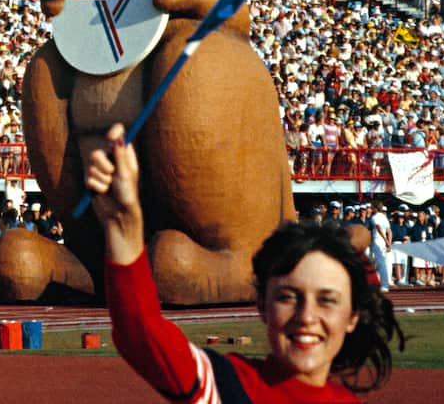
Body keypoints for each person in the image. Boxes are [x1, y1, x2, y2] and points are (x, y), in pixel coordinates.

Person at [86, 123, 404, 402]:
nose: (306, 316)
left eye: (327, 300)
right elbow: (141, 333)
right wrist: (124, 225)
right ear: (262, 305)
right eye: (288, 297)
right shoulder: (228, 387)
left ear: (352, 316)